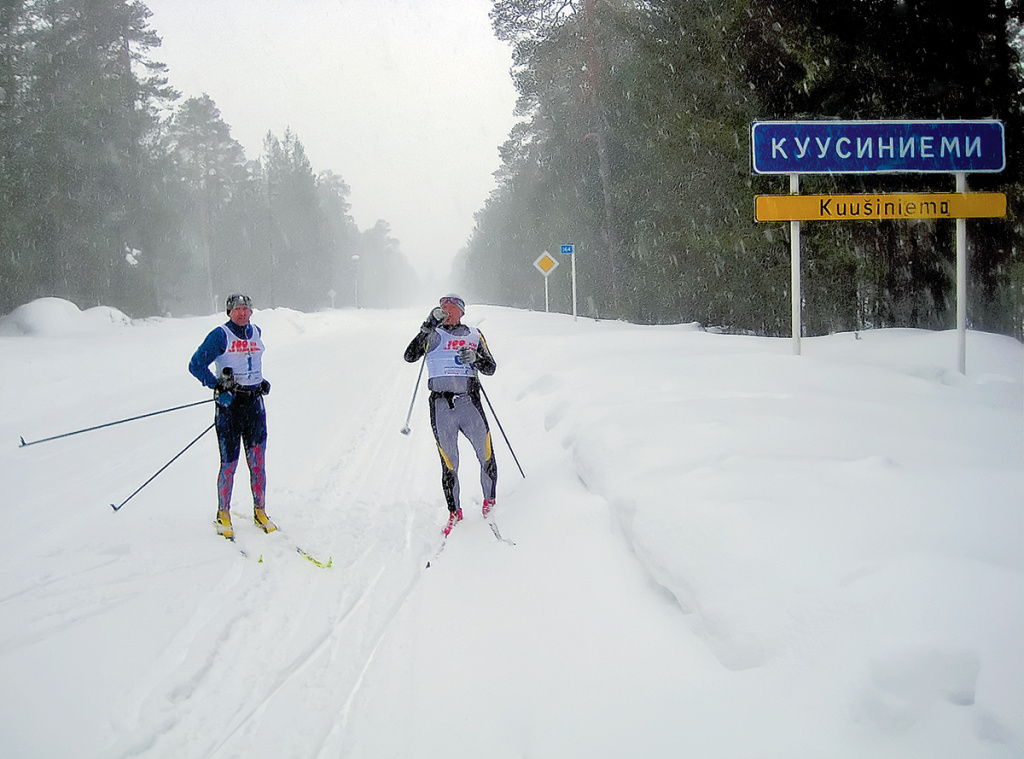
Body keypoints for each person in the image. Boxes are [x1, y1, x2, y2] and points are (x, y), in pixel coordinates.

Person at [404, 294, 497, 536]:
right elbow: (410, 355)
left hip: (469, 402)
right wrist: (426, 326)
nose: (446, 311)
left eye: (451, 307)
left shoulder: (474, 335)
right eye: (442, 307)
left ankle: (490, 502)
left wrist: (476, 358)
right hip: (441, 406)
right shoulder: (432, 334)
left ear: (462, 312)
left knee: (485, 453)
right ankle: (454, 512)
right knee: (449, 462)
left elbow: (491, 368)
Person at [189, 293, 275, 540]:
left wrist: (260, 381)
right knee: (230, 462)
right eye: (237, 309)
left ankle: (260, 510)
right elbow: (196, 364)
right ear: (229, 312)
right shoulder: (220, 335)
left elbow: (252, 362)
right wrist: (217, 386)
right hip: (230, 407)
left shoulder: (256, 331)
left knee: (257, 461)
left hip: (254, 405)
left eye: (246, 308)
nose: (242, 313)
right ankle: (223, 512)